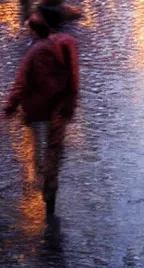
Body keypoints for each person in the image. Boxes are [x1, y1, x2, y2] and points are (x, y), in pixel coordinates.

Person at [4, 13, 79, 218]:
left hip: (38, 109)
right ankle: (50, 195)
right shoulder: (67, 44)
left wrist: (10, 106)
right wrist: (71, 102)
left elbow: (21, 82)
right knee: (53, 151)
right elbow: (73, 79)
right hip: (59, 109)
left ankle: (40, 176)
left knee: (38, 146)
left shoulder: (34, 52)